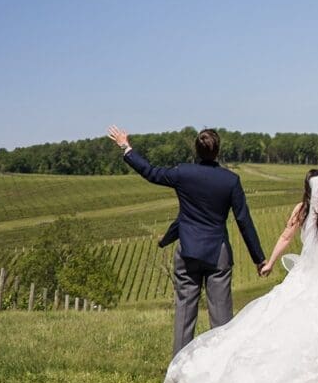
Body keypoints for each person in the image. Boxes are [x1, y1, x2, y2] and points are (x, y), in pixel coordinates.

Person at [162, 137, 318, 383]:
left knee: (296, 320)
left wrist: (269, 263)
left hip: (308, 274)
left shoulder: (301, 210)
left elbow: (286, 237)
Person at [107, 125, 267, 356]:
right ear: (217, 151)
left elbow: (151, 172)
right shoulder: (230, 180)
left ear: (197, 150)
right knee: (221, 317)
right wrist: (258, 258)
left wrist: (126, 147)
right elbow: (244, 220)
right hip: (218, 253)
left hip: (188, 250)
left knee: (184, 311)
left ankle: (179, 369)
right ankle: (220, 368)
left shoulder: (183, 173)